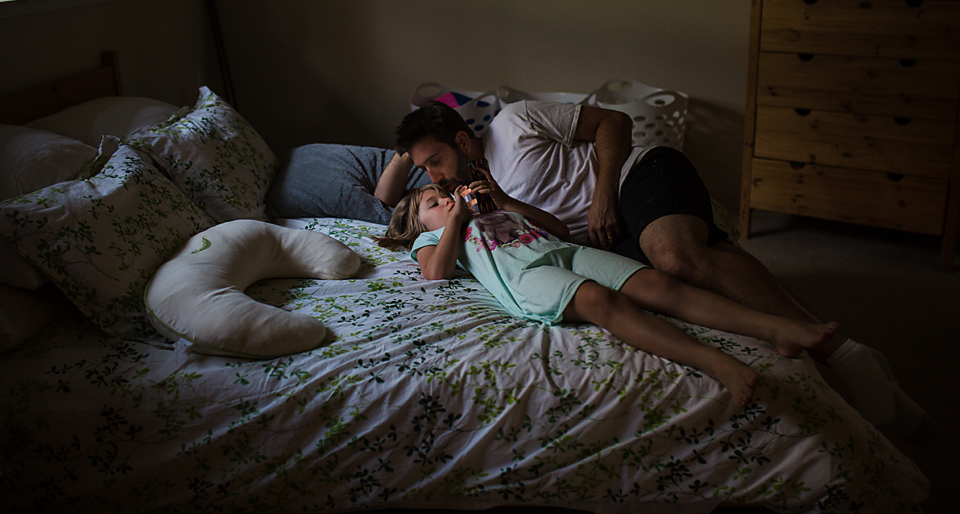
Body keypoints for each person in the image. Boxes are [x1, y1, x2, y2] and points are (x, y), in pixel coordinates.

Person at [375, 98, 938, 443]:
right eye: (426, 175)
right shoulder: (470, 201)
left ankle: (841, 353)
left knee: (676, 258)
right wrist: (449, 181)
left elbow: (615, 122)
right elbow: (395, 206)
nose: (437, 180)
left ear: (465, 140)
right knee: (677, 276)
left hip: (631, 184)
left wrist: (601, 195)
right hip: (595, 240)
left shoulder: (517, 124)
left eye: (438, 163)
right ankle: (839, 353)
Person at [378, 175, 841, 408]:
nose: (446, 200)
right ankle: (716, 362)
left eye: (445, 194)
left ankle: (777, 327)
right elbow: (435, 274)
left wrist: (499, 200)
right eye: (433, 203)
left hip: (561, 249)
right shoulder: (432, 238)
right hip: (526, 276)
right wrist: (455, 218)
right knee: (603, 301)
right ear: (421, 222)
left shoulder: (492, 213)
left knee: (658, 282)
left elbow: (557, 228)